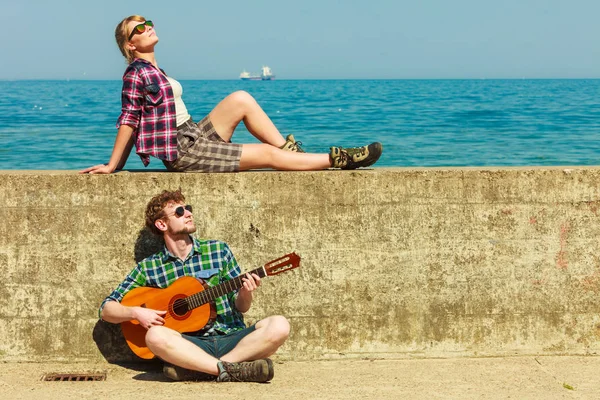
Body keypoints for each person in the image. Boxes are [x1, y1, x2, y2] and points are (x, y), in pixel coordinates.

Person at [81, 15, 382, 174]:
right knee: (265, 155)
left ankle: (293, 154)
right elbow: (130, 119)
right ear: (130, 45)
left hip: (192, 135)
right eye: (139, 29)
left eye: (148, 23)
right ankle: (340, 159)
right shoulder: (136, 73)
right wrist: (113, 165)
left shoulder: (155, 70)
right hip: (182, 150)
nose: (148, 28)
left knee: (241, 98)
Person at [99, 189, 288, 382]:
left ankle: (204, 369)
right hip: (189, 345)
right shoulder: (150, 267)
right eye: (179, 212)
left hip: (231, 338)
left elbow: (242, 307)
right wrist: (136, 313)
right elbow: (106, 309)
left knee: (279, 325)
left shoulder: (218, 250)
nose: (189, 214)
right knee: (154, 336)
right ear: (162, 224)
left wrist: (246, 293)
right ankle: (233, 369)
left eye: (187, 208)